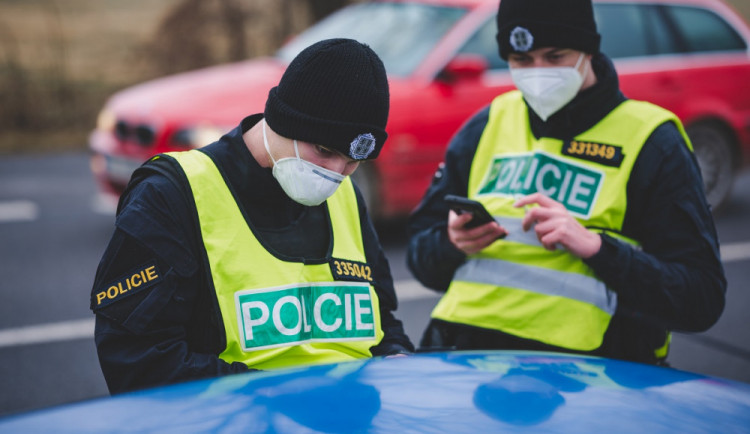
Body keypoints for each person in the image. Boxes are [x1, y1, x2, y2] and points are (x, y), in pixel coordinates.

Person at [406, 0, 726, 365]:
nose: (539, 73)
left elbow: (701, 300)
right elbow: (419, 256)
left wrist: (597, 248)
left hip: (587, 374)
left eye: (556, 56)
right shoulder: (487, 124)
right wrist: (452, 243)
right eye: (522, 61)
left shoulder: (651, 140)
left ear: (588, 49)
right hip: (463, 358)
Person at [90, 38, 414, 394]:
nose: (335, 173)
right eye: (324, 150)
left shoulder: (347, 195)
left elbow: (383, 324)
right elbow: (136, 360)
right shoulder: (173, 194)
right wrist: (273, 396)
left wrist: (395, 356)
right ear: (283, 120)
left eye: (353, 162)